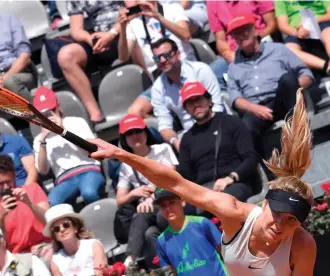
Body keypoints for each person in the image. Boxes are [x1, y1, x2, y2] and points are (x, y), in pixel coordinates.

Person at [89, 88, 317, 275]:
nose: (279, 225)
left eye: (291, 220)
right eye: (277, 214)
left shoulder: (302, 245)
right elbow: (175, 183)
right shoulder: (233, 212)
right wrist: (121, 155)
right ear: (264, 204)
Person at [226, 14, 314, 157]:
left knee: (287, 79)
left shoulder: (278, 49)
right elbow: (235, 99)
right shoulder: (233, 67)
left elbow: (306, 75)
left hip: (283, 99)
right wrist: (255, 108)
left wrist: (291, 88)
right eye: (236, 34)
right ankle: (268, 174)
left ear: (255, 30)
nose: (240, 36)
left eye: (244, 31)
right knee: (245, 128)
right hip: (256, 109)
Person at [177, 82, 259, 207]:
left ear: (209, 100)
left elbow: (251, 158)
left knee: (223, 202)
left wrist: (230, 178)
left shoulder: (231, 122)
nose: (195, 105)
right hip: (204, 192)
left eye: (198, 99)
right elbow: (184, 175)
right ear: (186, 109)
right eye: (190, 102)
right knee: (168, 215)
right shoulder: (187, 139)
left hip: (234, 184)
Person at [114, 114, 178, 268]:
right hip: (148, 211)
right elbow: (119, 201)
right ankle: (162, 268)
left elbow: (172, 176)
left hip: (168, 199)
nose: (135, 135)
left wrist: (153, 195)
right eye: (129, 133)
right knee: (149, 233)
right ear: (124, 138)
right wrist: (133, 193)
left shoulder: (163, 149)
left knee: (142, 216)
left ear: (146, 132)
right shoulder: (126, 165)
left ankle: (130, 261)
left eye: (138, 130)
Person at [118, 0, 195, 117]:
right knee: (134, 112)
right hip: (161, 80)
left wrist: (159, 17)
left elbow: (185, 35)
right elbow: (123, 57)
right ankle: (169, 128)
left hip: (184, 71)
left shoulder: (173, 9)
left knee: (189, 98)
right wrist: (122, 29)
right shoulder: (134, 23)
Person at [32, 87, 105, 206]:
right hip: (64, 180)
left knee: (89, 193)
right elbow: (43, 170)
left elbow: (92, 148)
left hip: (89, 170)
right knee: (52, 203)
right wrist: (43, 141)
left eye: (51, 110)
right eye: (43, 114)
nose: (48, 116)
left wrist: (63, 131)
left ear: (58, 107)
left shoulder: (76, 122)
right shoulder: (38, 140)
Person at [150, 38, 223, 151]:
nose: (162, 60)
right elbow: (164, 125)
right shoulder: (158, 88)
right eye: (157, 58)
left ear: (178, 54)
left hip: (217, 124)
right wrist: (175, 141)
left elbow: (217, 106)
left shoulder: (200, 70)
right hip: (191, 135)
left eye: (167, 55)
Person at [57, 1, 123, 124]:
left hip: (126, 29)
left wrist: (111, 34)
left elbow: (134, 9)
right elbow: (76, 30)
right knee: (66, 56)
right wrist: (91, 39)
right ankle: (95, 115)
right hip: (100, 36)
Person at [0, 154, 51, 257]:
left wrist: (29, 204)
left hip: (45, 246)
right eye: (0, 183)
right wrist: (1, 217)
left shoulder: (33, 189)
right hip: (20, 256)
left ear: (14, 176)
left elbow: (49, 221)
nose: (5, 187)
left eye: (8, 181)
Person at [206, 0, 277, 90]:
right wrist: (227, 54)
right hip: (234, 51)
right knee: (213, 72)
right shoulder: (212, 2)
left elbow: (271, 24)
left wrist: (252, 40)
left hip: (258, 42)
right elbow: (220, 40)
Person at [155, 188, 227, 275]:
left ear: (182, 202)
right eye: (163, 206)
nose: (168, 208)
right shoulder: (162, 241)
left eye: (172, 202)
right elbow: (172, 271)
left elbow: (226, 254)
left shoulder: (201, 224)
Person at [43, 204, 107, 276]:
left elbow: (100, 274)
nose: (62, 229)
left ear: (75, 228)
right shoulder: (55, 260)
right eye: (56, 229)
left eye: (66, 225)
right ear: (55, 237)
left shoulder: (94, 246)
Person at [275, 0, 330, 77]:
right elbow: (283, 25)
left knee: (328, 33)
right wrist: (297, 32)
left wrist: (312, 21)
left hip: (321, 22)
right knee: (288, 49)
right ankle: (326, 66)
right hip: (297, 30)